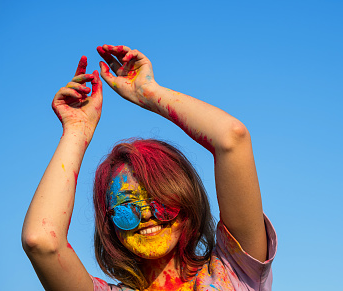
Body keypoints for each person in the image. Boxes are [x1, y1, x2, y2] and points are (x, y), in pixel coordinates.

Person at [22, 45, 277, 290]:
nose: (145, 215)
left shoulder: (236, 271)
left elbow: (232, 138)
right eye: (125, 207)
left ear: (186, 201)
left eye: (160, 200)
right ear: (109, 225)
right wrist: (76, 131)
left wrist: (148, 92)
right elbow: (42, 241)